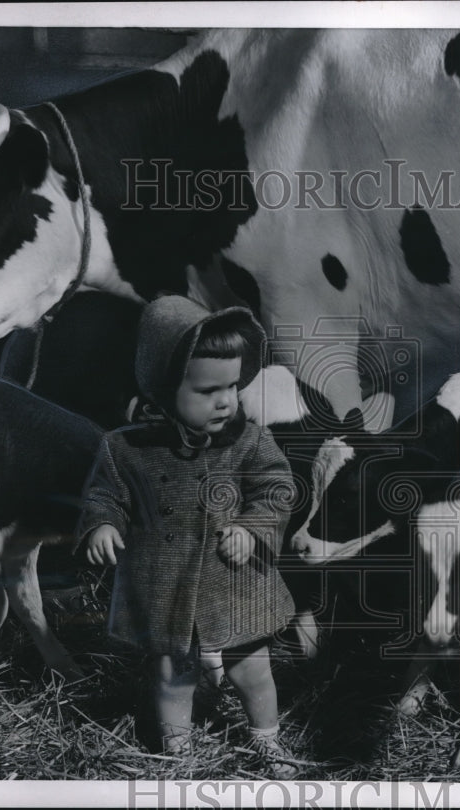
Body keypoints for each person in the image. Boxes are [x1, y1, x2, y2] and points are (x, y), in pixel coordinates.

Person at [77, 295, 299, 778]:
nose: (225, 401)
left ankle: (268, 740)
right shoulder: (125, 448)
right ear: (162, 388)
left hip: (236, 581)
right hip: (163, 583)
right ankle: (179, 752)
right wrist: (102, 523)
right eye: (207, 390)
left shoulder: (250, 441)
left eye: (233, 386)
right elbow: (104, 495)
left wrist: (253, 526)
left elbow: (279, 488)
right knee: (171, 674)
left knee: (251, 667)